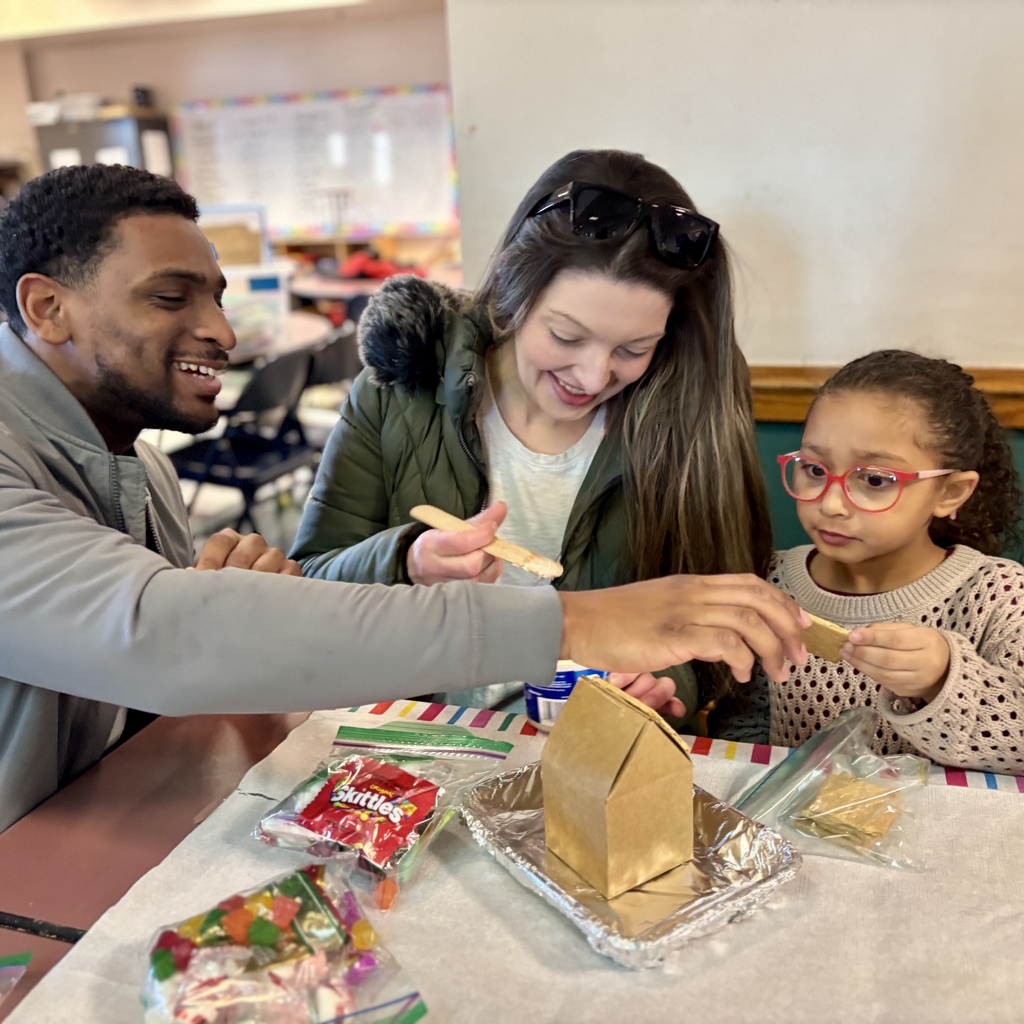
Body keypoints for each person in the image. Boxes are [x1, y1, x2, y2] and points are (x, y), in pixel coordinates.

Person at [0, 163, 811, 831]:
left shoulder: (140, 467)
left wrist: (240, 598)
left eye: (633, 349)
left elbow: (207, 644)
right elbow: (162, 638)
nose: (224, 330)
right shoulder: (396, 394)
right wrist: (572, 618)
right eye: (174, 298)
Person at [290, 149, 774, 724]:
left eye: (633, 349)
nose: (594, 377)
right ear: (513, 294)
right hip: (414, 755)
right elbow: (307, 594)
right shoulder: (398, 389)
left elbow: (719, 626)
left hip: (595, 759)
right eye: (566, 336)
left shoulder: (687, 418)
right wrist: (407, 564)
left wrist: (662, 682)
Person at [744, 349, 1024, 774]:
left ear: (951, 492)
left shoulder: (998, 597)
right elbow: (744, 726)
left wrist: (942, 678)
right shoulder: (770, 582)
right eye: (815, 470)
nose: (832, 503)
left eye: (875, 480)